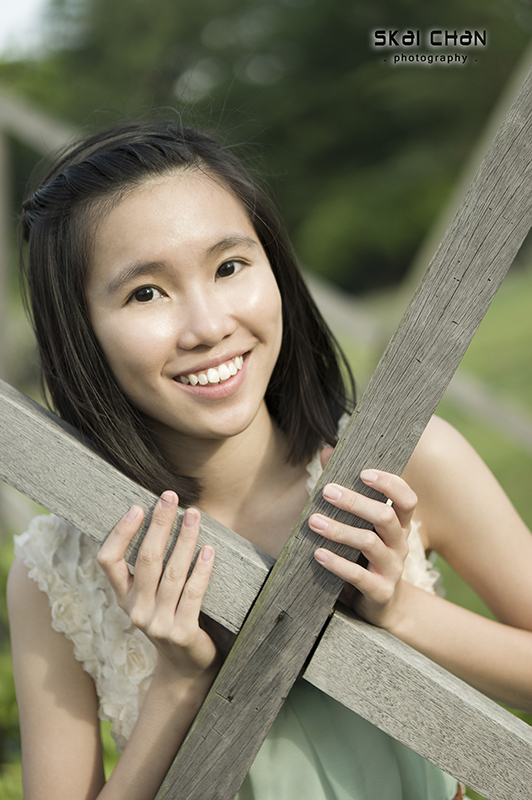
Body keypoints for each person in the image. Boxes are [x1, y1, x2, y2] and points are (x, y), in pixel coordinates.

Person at [6, 120, 532, 800]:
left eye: (229, 267)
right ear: (80, 334)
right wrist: (179, 686)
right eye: (145, 293)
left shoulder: (404, 463)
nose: (208, 327)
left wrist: (401, 613)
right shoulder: (58, 572)